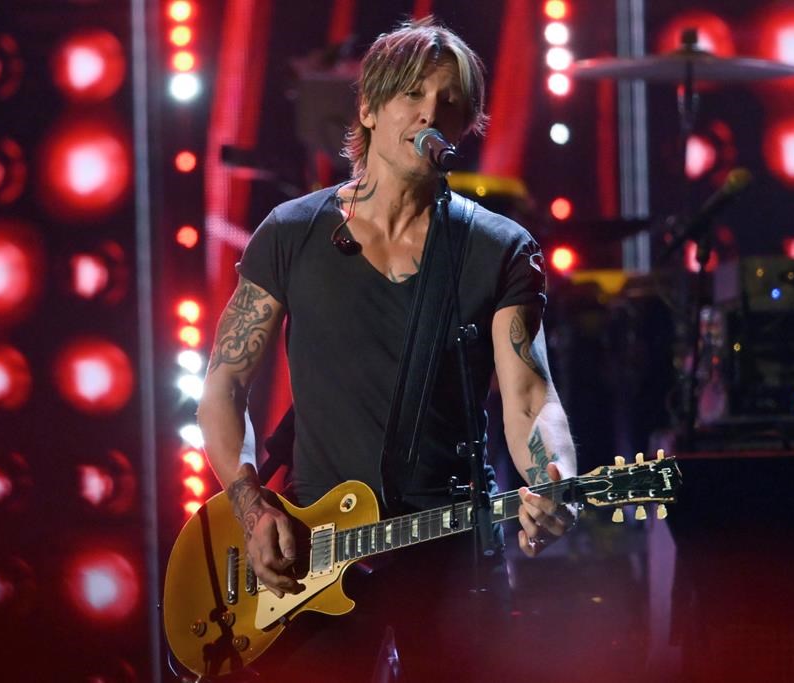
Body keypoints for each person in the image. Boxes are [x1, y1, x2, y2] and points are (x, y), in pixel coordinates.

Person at [197, 16, 577, 682]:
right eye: (413, 94)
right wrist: (251, 507)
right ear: (369, 108)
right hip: (314, 550)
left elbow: (529, 397)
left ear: (464, 126)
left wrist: (553, 477)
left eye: (450, 102)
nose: (431, 112)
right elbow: (223, 386)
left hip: (449, 551)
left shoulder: (497, 249)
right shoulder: (293, 232)